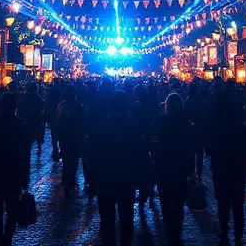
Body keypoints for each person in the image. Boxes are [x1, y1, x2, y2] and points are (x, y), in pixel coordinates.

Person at [88, 90, 146, 246]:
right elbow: (142, 158)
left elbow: (90, 156)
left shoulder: (99, 128)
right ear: (127, 107)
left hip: (104, 181)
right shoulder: (133, 130)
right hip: (126, 182)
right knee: (126, 220)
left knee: (107, 221)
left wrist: (91, 180)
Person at [0, 92, 31, 246]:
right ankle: (7, 239)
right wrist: (25, 175)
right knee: (11, 209)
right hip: (14, 173)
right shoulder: (20, 124)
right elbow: (25, 151)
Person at [205, 89, 246, 246]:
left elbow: (209, 148)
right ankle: (238, 234)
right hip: (238, 168)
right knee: (238, 203)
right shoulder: (241, 127)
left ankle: (224, 230)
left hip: (220, 167)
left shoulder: (215, 126)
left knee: (223, 202)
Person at [152, 93, 194, 246]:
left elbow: (154, 142)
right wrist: (191, 168)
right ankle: (176, 229)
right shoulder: (186, 123)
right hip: (180, 168)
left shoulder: (161, 120)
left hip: (163, 167)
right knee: (178, 201)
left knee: (165, 200)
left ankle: (170, 228)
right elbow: (190, 148)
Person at [55, 85, 87, 198]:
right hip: (74, 138)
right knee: (72, 161)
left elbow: (58, 122)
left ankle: (68, 182)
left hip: (65, 138)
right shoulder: (78, 107)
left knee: (68, 162)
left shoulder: (61, 106)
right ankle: (69, 182)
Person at [184, 82, 207, 180]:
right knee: (199, 152)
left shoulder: (188, 99)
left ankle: (192, 171)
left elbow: (185, 113)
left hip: (191, 129)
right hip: (199, 128)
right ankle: (199, 171)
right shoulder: (200, 99)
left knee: (191, 151)